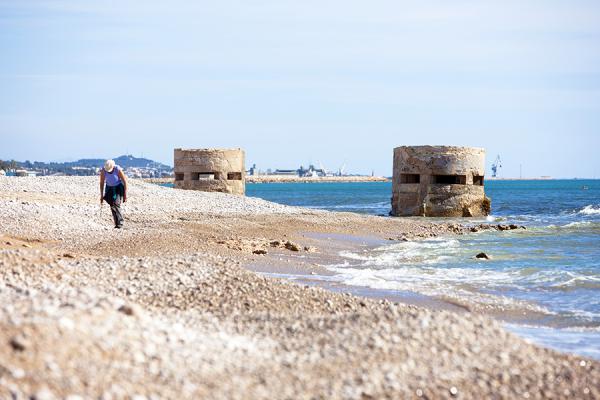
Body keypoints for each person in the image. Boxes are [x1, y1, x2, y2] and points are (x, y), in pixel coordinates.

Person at [100, 159, 128, 228]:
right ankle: (116, 223)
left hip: (118, 188)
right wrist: (101, 195)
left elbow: (125, 181)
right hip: (109, 188)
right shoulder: (103, 171)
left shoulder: (117, 169)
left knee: (116, 203)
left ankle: (120, 223)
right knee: (112, 204)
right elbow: (102, 183)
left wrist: (125, 195)